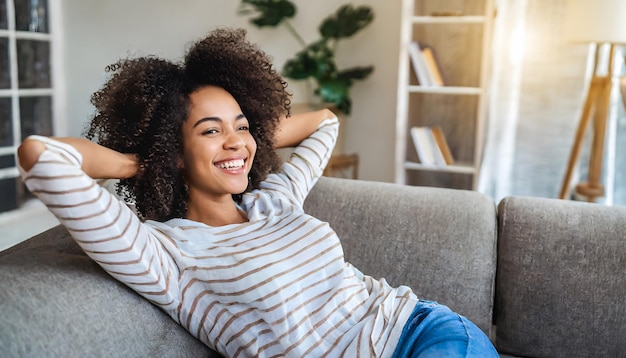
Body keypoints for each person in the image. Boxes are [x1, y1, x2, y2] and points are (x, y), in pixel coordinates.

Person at [17, 28, 498, 357]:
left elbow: (324, 123)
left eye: (241, 126)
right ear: (174, 151)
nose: (236, 142)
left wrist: (245, 138)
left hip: (424, 330)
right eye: (210, 131)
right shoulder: (165, 253)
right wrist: (144, 161)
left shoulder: (273, 200)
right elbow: (41, 156)